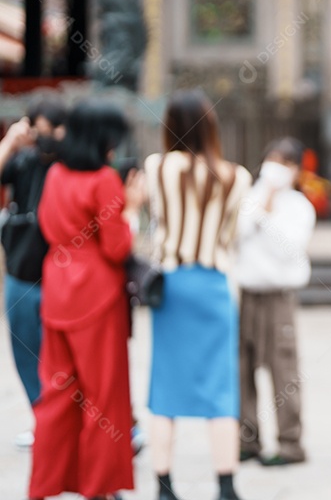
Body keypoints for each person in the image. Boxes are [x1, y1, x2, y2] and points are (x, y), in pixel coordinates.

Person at [29, 99, 142, 500]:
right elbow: (116, 247)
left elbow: (46, 225)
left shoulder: (56, 173)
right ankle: (98, 488)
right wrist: (132, 212)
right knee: (102, 398)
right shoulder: (104, 180)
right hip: (96, 296)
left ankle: (44, 486)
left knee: (56, 397)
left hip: (57, 289)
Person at [144, 90, 253, 500]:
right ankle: (225, 485)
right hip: (212, 287)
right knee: (221, 391)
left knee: (164, 392)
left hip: (171, 287)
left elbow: (156, 221)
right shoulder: (236, 176)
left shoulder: (157, 167)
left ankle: (164, 485)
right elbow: (230, 237)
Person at [236, 137, 316, 467]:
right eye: (272, 159)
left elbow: (289, 249)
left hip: (279, 297)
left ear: (295, 170)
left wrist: (266, 216)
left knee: (284, 370)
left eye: (284, 163)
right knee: (241, 368)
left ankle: (290, 442)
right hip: (247, 293)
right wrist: (261, 207)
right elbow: (236, 234)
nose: (275, 168)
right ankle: (247, 439)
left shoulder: (299, 206)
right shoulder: (247, 196)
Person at [0, 98, 66, 448]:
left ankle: (59, 422)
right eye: (38, 132)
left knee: (61, 357)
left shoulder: (70, 164)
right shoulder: (21, 161)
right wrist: (11, 142)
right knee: (25, 353)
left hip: (60, 280)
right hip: (20, 276)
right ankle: (42, 419)